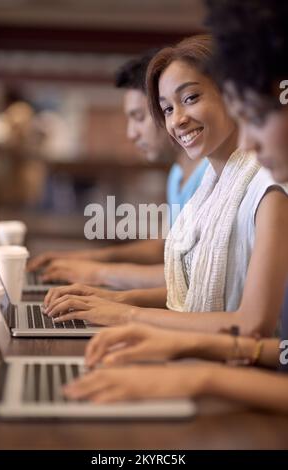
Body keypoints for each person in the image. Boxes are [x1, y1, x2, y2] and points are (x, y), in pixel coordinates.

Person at [60, 2, 288, 413]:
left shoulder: (269, 189)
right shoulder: (212, 187)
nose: (177, 119)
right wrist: (121, 305)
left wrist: (127, 314)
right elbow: (195, 289)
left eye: (191, 98)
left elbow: (253, 325)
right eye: (166, 109)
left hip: (243, 386)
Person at [28, 52, 208, 290]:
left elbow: (194, 277)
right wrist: (91, 259)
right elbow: (168, 247)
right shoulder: (178, 173)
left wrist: (100, 273)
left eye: (139, 117)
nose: (131, 133)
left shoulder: (210, 175)